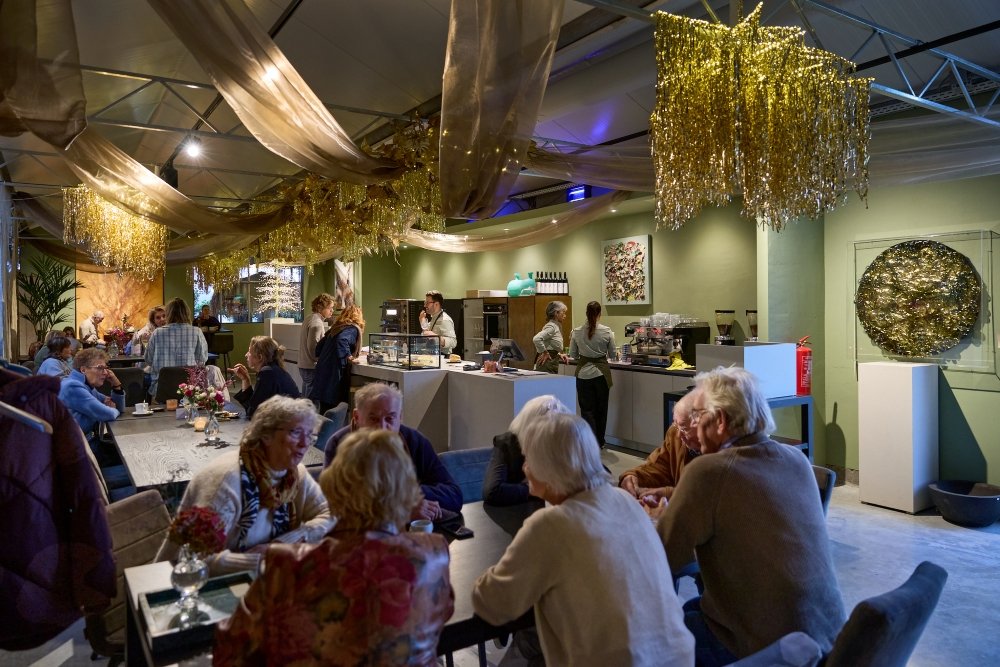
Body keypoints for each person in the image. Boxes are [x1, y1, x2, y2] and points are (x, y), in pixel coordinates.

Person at [214, 429, 454, 666]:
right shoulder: (434, 554)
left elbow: (229, 652)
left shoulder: (288, 565)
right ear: (408, 493)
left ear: (332, 489)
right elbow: (441, 617)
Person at [655, 366, 845, 665]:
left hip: (767, 649)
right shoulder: (796, 459)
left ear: (719, 420)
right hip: (825, 638)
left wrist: (657, 517)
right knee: (693, 609)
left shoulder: (708, 471)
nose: (694, 424)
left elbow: (662, 557)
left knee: (650, 640)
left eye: (698, 416)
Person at [472, 412, 695, 666]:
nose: (524, 468)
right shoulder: (626, 501)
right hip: (676, 657)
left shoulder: (550, 525)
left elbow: (492, 603)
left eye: (528, 459)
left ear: (547, 467)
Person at [156, 396, 333, 575]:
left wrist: (282, 544)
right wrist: (263, 560)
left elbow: (330, 513)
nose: (304, 444)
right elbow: (196, 557)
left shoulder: (294, 475)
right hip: (188, 581)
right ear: (266, 435)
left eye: (309, 435)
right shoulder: (228, 481)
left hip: (261, 578)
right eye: (295, 433)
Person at [324, 383, 462, 519]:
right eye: (373, 419)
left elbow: (453, 495)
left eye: (390, 418)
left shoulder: (415, 441)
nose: (382, 428)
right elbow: (333, 506)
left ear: (400, 417)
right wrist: (399, 506)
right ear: (357, 417)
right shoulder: (339, 444)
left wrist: (410, 494)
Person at [482, 394, 572, 506]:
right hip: (517, 510)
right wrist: (538, 489)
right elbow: (492, 491)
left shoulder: (563, 443)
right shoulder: (507, 444)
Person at [619, 391, 700, 503]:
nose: (678, 435)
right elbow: (659, 466)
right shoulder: (675, 434)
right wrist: (634, 476)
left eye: (684, 429)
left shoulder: (720, 453)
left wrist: (670, 494)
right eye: (676, 425)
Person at [57, 348, 126, 461]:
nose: (105, 373)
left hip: (89, 445)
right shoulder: (72, 387)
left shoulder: (86, 386)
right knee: (136, 460)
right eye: (100, 368)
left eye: (106, 368)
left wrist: (116, 384)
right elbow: (107, 414)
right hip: (78, 454)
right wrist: (111, 409)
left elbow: (118, 408)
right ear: (83, 369)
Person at [569, 300, 615, 447]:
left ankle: (590, 442)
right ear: (599, 313)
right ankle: (600, 441)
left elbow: (573, 355)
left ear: (586, 313)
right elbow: (613, 354)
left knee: (587, 410)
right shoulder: (607, 331)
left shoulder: (576, 332)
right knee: (601, 410)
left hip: (583, 374)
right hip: (601, 375)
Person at [144, 298, 208, 397]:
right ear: (187, 313)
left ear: (168, 313)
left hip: (162, 388)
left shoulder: (157, 333)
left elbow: (148, 360)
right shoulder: (197, 332)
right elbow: (202, 360)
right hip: (189, 389)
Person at [310, 304, 364, 413]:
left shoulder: (336, 328)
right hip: (333, 374)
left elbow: (319, 347)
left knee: (324, 410)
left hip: (323, 371)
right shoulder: (352, 328)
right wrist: (349, 357)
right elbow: (342, 340)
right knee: (333, 411)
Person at [230, 336, 301, 419]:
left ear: (260, 357)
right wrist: (245, 379)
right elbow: (254, 407)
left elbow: (253, 413)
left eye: (249, 351)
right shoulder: (274, 369)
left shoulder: (267, 372)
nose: (246, 355)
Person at [298, 293, 334, 400]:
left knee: (305, 399)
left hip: (304, 365)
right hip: (311, 367)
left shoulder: (309, 318)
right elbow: (313, 349)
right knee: (312, 402)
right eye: (330, 308)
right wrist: (322, 361)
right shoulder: (317, 323)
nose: (332, 311)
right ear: (319, 308)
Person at [531, 300, 569, 373]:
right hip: (547, 363)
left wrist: (558, 354)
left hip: (552, 360)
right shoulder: (552, 326)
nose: (565, 315)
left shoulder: (555, 326)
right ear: (556, 313)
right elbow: (536, 339)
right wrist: (545, 352)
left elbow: (550, 345)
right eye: (563, 312)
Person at [419, 290, 457, 355]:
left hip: (443, 357)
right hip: (433, 356)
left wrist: (436, 337)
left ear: (436, 304)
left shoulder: (445, 320)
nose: (425, 305)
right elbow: (427, 334)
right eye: (425, 302)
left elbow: (453, 342)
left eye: (427, 303)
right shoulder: (434, 318)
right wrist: (422, 321)